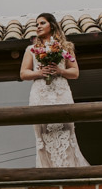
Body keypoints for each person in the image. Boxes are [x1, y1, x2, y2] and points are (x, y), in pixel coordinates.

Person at [20, 13, 90, 168]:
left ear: (51, 25)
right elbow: (23, 73)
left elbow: (75, 73)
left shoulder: (65, 48)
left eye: (42, 23)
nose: (38, 26)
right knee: (43, 135)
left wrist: (60, 71)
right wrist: (39, 73)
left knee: (67, 132)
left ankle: (70, 170)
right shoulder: (31, 49)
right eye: (36, 24)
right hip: (41, 94)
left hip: (60, 92)